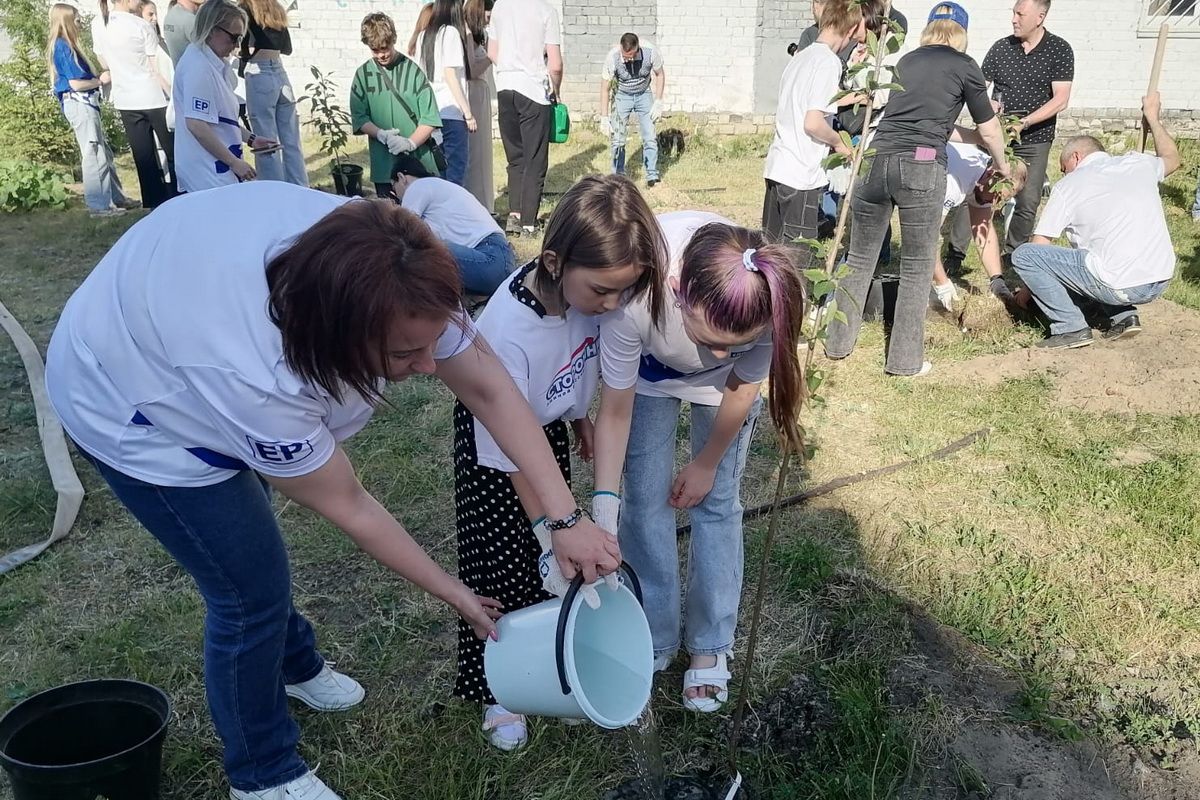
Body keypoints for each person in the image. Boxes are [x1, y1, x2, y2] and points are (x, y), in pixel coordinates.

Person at [46, 181, 623, 800]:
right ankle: (263, 772)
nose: (430, 367)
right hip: (133, 406)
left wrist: (565, 520)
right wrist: (454, 591)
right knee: (247, 591)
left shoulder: (396, 265)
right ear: (337, 336)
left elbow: (487, 387)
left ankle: (293, 666)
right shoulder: (257, 377)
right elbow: (348, 502)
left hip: (180, 293)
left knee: (253, 558)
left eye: (434, 342)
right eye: (406, 353)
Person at [452, 174, 666, 751]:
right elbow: (511, 447)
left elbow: (573, 368)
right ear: (553, 261)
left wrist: (578, 419)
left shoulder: (585, 301)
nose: (613, 305)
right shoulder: (505, 331)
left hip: (545, 432)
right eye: (603, 291)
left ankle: (552, 661)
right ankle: (500, 685)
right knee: (505, 564)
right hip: (499, 452)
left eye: (624, 291)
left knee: (558, 567)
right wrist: (551, 532)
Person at [592, 212, 806, 713]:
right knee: (645, 500)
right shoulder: (634, 298)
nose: (715, 352)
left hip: (722, 394)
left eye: (733, 345)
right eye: (708, 339)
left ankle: (710, 643)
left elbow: (740, 386)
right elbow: (616, 407)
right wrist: (606, 500)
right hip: (649, 378)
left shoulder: (762, 302)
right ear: (675, 289)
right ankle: (655, 631)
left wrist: (707, 463)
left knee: (717, 503)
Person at [823, 2, 1009, 377]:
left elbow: (933, 122)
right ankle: (905, 361)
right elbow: (989, 129)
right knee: (916, 266)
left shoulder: (906, 62)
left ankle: (836, 343)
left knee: (859, 259)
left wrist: (970, 138)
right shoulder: (965, 66)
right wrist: (1002, 164)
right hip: (921, 166)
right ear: (961, 35)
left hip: (877, 159)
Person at [1011, 94, 1180, 349]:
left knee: (1025, 255)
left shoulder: (1069, 185)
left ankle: (1070, 327)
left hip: (1120, 283)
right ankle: (1124, 316)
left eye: (1063, 167)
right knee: (1096, 252)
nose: (1062, 173)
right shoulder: (1138, 163)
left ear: (1076, 157)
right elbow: (1173, 158)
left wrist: (1026, 292)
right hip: (1160, 278)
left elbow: (1041, 243)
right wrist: (1153, 118)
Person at [944, 0, 1072, 272]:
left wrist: (1024, 122)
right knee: (978, 190)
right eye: (1013, 13)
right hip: (997, 135)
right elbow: (979, 88)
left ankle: (1014, 258)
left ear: (1040, 16)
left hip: (1036, 138)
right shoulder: (1002, 48)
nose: (1013, 19)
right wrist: (988, 109)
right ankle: (955, 255)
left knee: (1028, 200)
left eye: (1019, 14)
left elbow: (1061, 99)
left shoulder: (1059, 50)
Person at [762, 0, 862, 269]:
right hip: (801, 175)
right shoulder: (828, 62)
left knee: (770, 251)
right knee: (797, 259)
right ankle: (797, 309)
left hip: (778, 167)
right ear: (851, 30)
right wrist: (839, 143)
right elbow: (813, 123)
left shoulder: (802, 57)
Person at [173, 0, 278, 192]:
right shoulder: (199, 68)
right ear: (213, 29)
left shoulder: (212, 62)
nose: (237, 46)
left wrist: (252, 139)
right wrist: (234, 163)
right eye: (234, 38)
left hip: (218, 166)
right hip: (207, 170)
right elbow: (196, 124)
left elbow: (220, 120)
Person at [390, 154, 515, 297]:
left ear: (401, 178)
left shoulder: (417, 186)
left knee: (411, 251)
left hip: (490, 257)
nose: (396, 195)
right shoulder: (439, 187)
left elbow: (403, 230)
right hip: (500, 260)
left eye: (393, 187)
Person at [47, 3, 129, 217]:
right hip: (79, 103)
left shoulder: (70, 46)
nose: (80, 23)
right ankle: (99, 206)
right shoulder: (63, 48)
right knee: (93, 153)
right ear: (66, 22)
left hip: (87, 103)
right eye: (77, 20)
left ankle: (116, 197)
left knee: (105, 152)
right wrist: (99, 81)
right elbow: (75, 83)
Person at [351, 12, 444, 200]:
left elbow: (430, 117)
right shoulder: (362, 75)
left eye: (385, 48)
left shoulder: (413, 72)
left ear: (393, 40)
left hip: (417, 163)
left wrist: (410, 143)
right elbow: (360, 118)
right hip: (384, 166)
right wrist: (381, 135)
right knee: (389, 223)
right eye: (375, 50)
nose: (381, 54)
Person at [488, 0, 562, 235]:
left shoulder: (500, 5)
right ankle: (529, 224)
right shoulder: (546, 10)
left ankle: (515, 215)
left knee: (516, 157)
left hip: (505, 87)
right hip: (532, 90)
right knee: (535, 159)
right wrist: (555, 90)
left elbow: (491, 51)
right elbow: (556, 64)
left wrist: (512, 68)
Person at [96, 0, 176, 208]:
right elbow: (154, 67)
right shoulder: (140, 25)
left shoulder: (99, 24)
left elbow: (104, 62)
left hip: (125, 98)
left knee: (143, 157)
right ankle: (179, 194)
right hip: (151, 95)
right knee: (172, 150)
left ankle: (152, 202)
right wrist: (172, 94)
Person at [930, 144, 1028, 311]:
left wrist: (997, 279)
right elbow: (926, 238)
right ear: (993, 176)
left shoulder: (984, 178)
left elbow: (983, 229)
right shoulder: (954, 182)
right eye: (998, 195)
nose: (996, 203)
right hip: (906, 154)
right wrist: (942, 282)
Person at [238, 0, 308, 185]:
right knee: (291, 140)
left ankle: (273, 190)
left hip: (259, 71)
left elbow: (242, 46)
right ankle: (301, 188)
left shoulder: (245, 8)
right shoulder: (276, 8)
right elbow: (287, 48)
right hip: (279, 70)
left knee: (266, 141)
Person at [416, 0, 476, 186]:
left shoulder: (423, 36)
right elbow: (450, 75)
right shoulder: (450, 33)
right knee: (455, 176)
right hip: (452, 113)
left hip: (430, 113)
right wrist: (468, 113)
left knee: (437, 175)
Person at [599, 33, 666, 187]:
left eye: (630, 56)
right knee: (618, 139)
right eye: (625, 56)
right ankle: (618, 176)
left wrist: (658, 101)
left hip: (644, 94)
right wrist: (604, 117)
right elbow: (605, 88)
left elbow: (660, 75)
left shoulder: (650, 52)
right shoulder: (613, 57)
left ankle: (652, 175)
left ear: (637, 49)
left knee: (650, 136)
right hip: (623, 96)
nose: (627, 60)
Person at [464, 0, 496, 212]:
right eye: (487, 14)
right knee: (474, 154)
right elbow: (472, 70)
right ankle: (474, 203)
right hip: (473, 93)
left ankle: (484, 203)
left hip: (481, 93)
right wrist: (491, 56)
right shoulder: (466, 32)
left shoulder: (480, 34)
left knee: (483, 154)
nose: (490, 19)